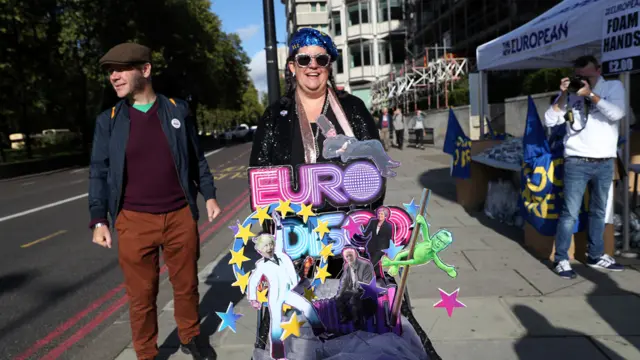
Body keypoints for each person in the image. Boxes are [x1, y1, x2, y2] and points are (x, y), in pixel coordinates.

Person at [88, 43, 220, 360]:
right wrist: (99, 219)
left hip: (179, 216)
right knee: (141, 295)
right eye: (110, 72)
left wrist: (210, 195)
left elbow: (196, 157)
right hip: (134, 220)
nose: (114, 77)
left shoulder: (177, 110)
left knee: (186, 285)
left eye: (121, 69)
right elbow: (99, 172)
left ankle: (190, 337)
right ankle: (146, 353)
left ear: (145, 70)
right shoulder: (108, 121)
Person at [249, 27, 384, 212]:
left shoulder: (354, 108)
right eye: (303, 59)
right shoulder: (274, 115)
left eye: (321, 59)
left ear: (329, 66)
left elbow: (376, 167)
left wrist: (367, 221)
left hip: (348, 229)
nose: (313, 66)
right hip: (295, 231)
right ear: (292, 67)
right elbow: (261, 175)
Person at [544, 55, 625, 279]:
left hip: (605, 161)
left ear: (598, 70)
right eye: (580, 77)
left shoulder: (613, 87)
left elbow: (617, 114)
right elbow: (550, 120)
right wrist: (563, 94)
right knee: (569, 212)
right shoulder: (570, 95)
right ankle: (561, 259)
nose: (583, 80)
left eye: (588, 75)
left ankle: (596, 254)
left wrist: (590, 94)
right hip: (577, 161)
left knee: (599, 211)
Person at [247, 233, 326, 360]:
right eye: (265, 246)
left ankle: (321, 333)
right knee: (276, 324)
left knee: (307, 306)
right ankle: (277, 354)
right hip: (275, 296)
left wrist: (278, 225)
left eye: (270, 244)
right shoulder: (261, 265)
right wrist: (253, 298)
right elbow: (253, 281)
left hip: (287, 292)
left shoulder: (280, 255)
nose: (269, 248)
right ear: (259, 250)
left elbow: (280, 239)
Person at [317, 114, 401, 177]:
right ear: (326, 135)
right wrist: (339, 151)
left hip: (357, 145)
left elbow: (353, 139)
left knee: (376, 142)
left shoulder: (340, 136)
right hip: (350, 152)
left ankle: (386, 165)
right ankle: (385, 167)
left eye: (333, 130)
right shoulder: (327, 142)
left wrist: (349, 141)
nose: (333, 132)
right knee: (374, 150)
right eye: (330, 132)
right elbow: (325, 154)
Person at [336, 246, 375, 328]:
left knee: (353, 299)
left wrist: (356, 291)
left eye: (350, 255)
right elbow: (344, 281)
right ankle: (346, 316)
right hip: (353, 290)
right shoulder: (347, 266)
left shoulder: (365, 265)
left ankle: (357, 320)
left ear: (355, 255)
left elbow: (367, 282)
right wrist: (339, 293)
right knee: (339, 298)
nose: (349, 258)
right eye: (347, 256)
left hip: (364, 290)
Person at [356, 206, 395, 279]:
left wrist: (390, 250)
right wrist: (359, 229)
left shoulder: (389, 226)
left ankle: (365, 277)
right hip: (371, 247)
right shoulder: (373, 221)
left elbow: (390, 238)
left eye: (382, 214)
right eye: (379, 214)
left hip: (382, 248)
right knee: (376, 265)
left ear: (385, 215)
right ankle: (378, 277)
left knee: (372, 263)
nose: (380, 215)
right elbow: (366, 233)